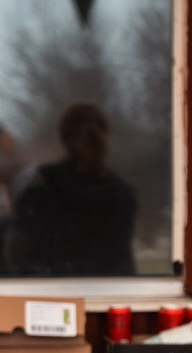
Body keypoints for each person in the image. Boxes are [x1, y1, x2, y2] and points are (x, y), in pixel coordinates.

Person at [7, 102, 137, 275]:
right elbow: (121, 263)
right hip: (105, 296)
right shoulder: (122, 194)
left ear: (62, 138)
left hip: (45, 296)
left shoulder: (41, 186)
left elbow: (17, 252)